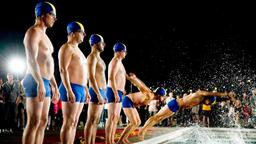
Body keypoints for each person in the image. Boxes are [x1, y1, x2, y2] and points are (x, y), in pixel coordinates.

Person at [21, 1, 59, 144]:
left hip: (45, 81)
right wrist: (39, 83)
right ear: (43, 15)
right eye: (53, 15)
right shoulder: (33, 32)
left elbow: (48, 64)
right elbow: (31, 60)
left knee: (43, 122)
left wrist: (54, 85)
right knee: (34, 122)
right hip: (35, 79)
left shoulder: (45, 37)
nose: (55, 18)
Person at [138, 90, 238, 140]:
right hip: (174, 104)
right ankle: (142, 130)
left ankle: (144, 130)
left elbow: (217, 99)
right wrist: (227, 94)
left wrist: (229, 99)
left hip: (176, 108)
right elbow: (212, 93)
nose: (206, 104)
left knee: (158, 119)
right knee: (156, 117)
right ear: (207, 98)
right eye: (208, 103)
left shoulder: (203, 101)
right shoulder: (199, 94)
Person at [58, 21, 89, 144]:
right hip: (71, 87)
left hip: (81, 88)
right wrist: (69, 89)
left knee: (75, 122)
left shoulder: (79, 51)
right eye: (82, 32)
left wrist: (86, 90)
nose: (84, 35)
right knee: (68, 122)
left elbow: (83, 73)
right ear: (73, 33)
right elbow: (62, 69)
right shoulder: (66, 47)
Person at [117, 73, 166, 144]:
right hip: (127, 100)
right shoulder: (150, 95)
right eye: (163, 96)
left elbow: (143, 85)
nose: (164, 98)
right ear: (159, 95)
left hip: (132, 103)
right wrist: (133, 79)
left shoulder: (152, 97)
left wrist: (137, 78)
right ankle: (120, 140)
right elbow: (140, 86)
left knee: (138, 122)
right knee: (134, 122)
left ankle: (124, 139)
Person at [84, 34, 107, 144]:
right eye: (102, 42)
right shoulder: (92, 57)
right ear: (95, 43)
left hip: (102, 91)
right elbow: (91, 77)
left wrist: (104, 93)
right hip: (95, 90)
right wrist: (98, 94)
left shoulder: (99, 58)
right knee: (91, 120)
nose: (104, 45)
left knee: (96, 121)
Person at [105, 42, 127, 144]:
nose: (125, 53)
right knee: (112, 117)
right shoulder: (114, 61)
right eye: (124, 51)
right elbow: (111, 77)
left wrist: (122, 90)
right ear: (119, 51)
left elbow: (120, 77)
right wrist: (115, 93)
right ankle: (108, 141)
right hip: (113, 91)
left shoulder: (120, 62)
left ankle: (112, 140)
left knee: (116, 117)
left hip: (118, 91)